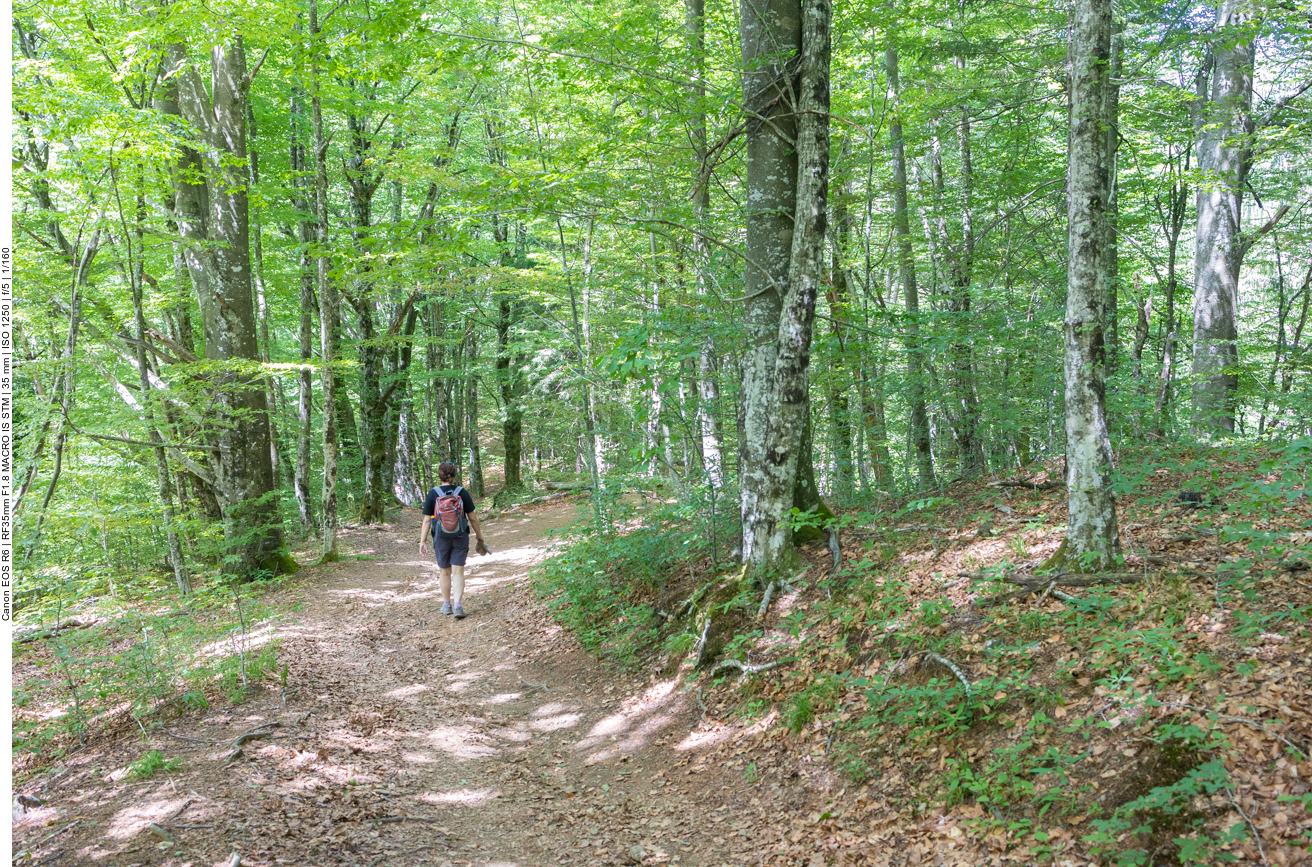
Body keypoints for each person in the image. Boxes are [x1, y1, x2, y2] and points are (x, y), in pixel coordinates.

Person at [419, 462, 488, 619]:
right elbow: (472, 518)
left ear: (440, 476)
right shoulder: (462, 492)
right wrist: (479, 536)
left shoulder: (433, 494)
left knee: (444, 572)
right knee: (458, 572)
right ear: (454, 476)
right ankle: (458, 606)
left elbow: (427, 521)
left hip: (440, 537)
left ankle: (446, 605)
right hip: (460, 535)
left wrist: (422, 541)